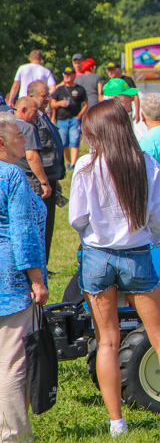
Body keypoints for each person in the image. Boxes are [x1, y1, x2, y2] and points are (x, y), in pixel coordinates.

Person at [68, 100, 160, 435]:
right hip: (137, 256)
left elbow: (76, 219)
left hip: (98, 258)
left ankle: (117, 422)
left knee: (108, 342)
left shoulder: (86, 166)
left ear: (97, 133)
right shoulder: (144, 163)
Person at [0, 111, 49, 443]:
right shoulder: (12, 177)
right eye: (19, 135)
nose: (25, 140)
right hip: (10, 282)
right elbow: (23, 232)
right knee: (12, 364)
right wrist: (36, 279)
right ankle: (14, 435)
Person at [28, 81, 66, 263]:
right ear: (31, 96)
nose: (48, 99)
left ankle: (44, 264)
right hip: (40, 181)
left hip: (50, 177)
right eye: (44, 96)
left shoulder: (43, 116)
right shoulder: (31, 123)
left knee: (48, 224)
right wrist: (44, 180)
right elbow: (35, 155)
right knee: (40, 224)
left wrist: (55, 179)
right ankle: (39, 264)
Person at [14, 98, 51, 201]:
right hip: (28, 180)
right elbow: (31, 157)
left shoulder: (6, 124)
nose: (38, 115)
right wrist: (44, 182)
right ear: (24, 110)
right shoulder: (28, 128)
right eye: (35, 111)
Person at [50, 67, 88, 169]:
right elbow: (52, 104)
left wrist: (79, 116)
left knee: (74, 142)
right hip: (61, 120)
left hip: (74, 119)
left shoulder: (80, 89)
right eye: (65, 74)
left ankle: (73, 164)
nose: (66, 76)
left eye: (69, 74)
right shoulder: (59, 89)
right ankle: (68, 162)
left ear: (74, 76)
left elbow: (85, 104)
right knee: (64, 143)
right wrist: (60, 103)